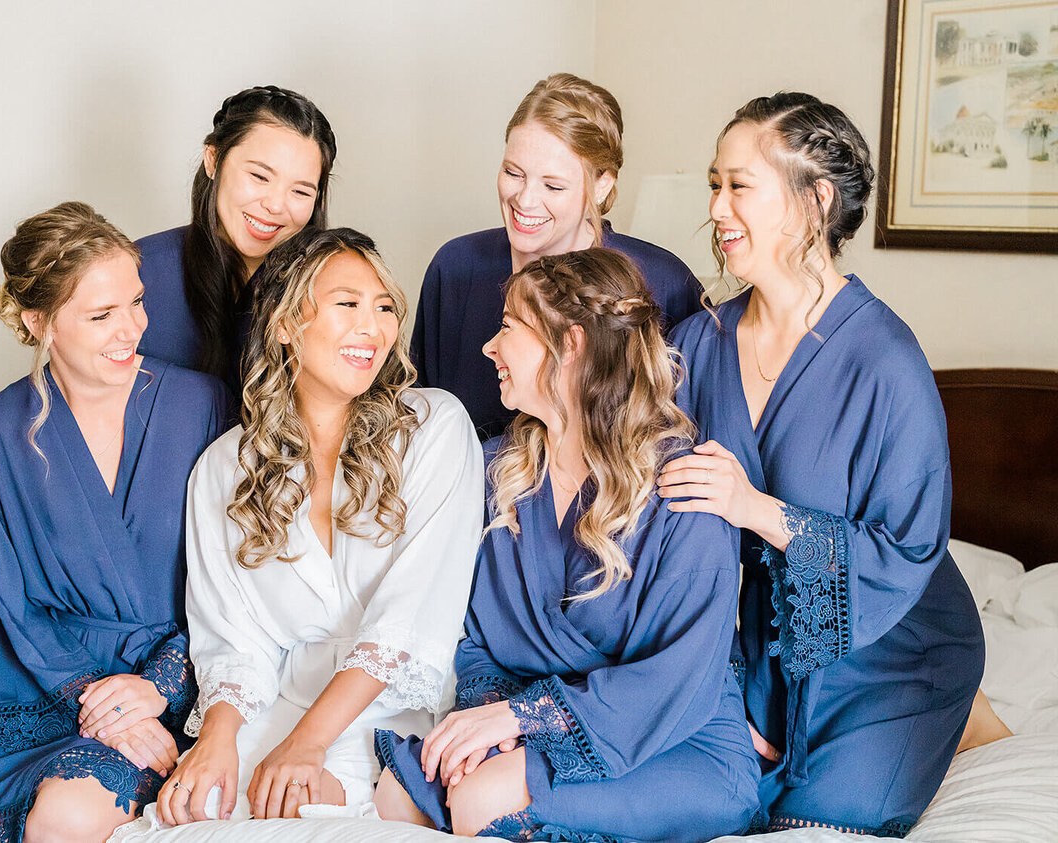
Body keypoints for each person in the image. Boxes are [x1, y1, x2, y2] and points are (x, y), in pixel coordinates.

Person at [661, 93, 987, 836]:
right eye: (715, 184)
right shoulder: (697, 344)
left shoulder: (886, 363)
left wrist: (754, 508)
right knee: (704, 792)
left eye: (739, 186)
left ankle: (958, 711)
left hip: (891, 648)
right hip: (753, 640)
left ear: (814, 202)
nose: (716, 207)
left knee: (817, 819)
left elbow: (906, 552)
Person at [375, 249, 759, 842]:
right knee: (399, 793)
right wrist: (495, 724)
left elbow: (679, 674)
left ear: (571, 344)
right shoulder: (494, 472)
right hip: (529, 725)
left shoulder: (684, 488)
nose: (488, 348)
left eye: (508, 328)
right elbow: (471, 637)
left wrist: (521, 719)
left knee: (481, 799)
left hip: (673, 739)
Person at [149, 228, 483, 827]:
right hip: (271, 707)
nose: (373, 327)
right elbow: (232, 638)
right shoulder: (226, 468)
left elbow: (408, 620)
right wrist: (216, 741)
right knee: (198, 809)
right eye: (347, 304)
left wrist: (308, 743)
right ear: (282, 324)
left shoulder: (434, 426)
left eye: (384, 308)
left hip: (389, 713)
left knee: (308, 811)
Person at [0, 202, 230, 842]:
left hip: (182, 678)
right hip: (55, 692)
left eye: (137, 302)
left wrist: (161, 688)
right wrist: (104, 708)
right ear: (40, 323)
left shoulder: (201, 404)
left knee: (67, 812)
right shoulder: (0, 429)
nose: (131, 330)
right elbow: (8, 598)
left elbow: (235, 576)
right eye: (101, 315)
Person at [0, 84, 335, 527]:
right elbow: (68, 391)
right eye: (260, 176)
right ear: (213, 160)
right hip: (155, 538)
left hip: (288, 526)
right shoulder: (135, 275)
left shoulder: (334, 292)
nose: (275, 205)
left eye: (301, 191)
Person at [411, 72, 702, 440]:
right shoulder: (456, 267)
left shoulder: (663, 283)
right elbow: (422, 421)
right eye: (513, 173)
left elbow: (679, 433)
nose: (526, 200)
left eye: (553, 185)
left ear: (602, 185)